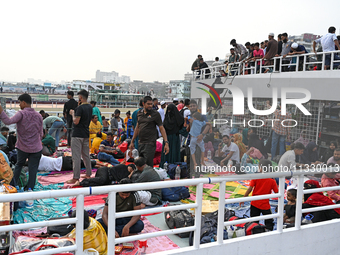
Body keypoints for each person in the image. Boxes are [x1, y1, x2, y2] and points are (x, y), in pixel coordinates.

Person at [0, 93, 43, 190]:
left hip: (23, 147)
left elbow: (8, 121)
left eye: (19, 103)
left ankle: (13, 186)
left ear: (24, 103)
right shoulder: (39, 116)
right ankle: (30, 189)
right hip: (36, 148)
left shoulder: (21, 113)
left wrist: (1, 111)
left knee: (19, 165)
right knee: (33, 169)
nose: (19, 105)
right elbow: (41, 133)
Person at [130, 96, 169, 167]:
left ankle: (149, 177)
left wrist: (166, 142)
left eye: (151, 104)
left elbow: (161, 128)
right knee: (140, 164)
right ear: (143, 104)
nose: (150, 106)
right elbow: (137, 128)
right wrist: (132, 141)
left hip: (150, 143)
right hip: (140, 143)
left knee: (147, 164)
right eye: (148, 104)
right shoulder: (139, 113)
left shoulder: (155, 114)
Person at [240, 159, 278, 231]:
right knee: (269, 221)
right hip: (265, 204)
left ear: (260, 167)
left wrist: (243, 198)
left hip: (255, 203)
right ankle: (269, 230)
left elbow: (249, 189)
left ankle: (254, 230)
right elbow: (277, 192)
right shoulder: (272, 181)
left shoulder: (256, 177)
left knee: (254, 220)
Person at [67, 90, 93, 184]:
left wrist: (73, 113)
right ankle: (88, 173)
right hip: (85, 134)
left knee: (76, 157)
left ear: (80, 97)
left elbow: (76, 121)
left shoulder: (80, 108)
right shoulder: (90, 107)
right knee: (86, 155)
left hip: (77, 134)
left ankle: (76, 177)